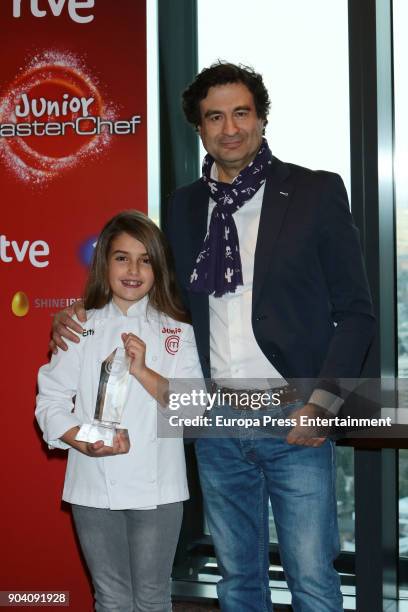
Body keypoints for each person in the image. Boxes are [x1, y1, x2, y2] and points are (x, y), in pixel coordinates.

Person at [51, 63, 376, 612]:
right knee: (237, 583)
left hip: (294, 411)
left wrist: (323, 403)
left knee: (313, 581)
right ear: (198, 129)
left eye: (241, 113)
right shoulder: (182, 207)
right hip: (215, 420)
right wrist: (74, 314)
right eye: (214, 117)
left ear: (262, 118)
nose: (230, 128)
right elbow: (152, 295)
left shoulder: (316, 192)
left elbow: (358, 313)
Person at [36, 210, 203, 612]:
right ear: (104, 264)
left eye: (145, 259)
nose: (133, 270)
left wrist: (144, 370)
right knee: (110, 597)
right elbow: (50, 403)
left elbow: (194, 408)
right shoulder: (80, 326)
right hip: (93, 484)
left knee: (151, 597)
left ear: (157, 268)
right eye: (122, 257)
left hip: (159, 487)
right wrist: (86, 441)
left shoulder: (177, 331)